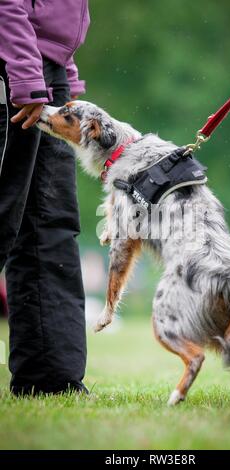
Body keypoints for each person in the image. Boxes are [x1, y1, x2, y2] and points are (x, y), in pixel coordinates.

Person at [0, 1, 90, 395]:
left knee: (49, 226)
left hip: (43, 75)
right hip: (12, 66)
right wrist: (23, 74)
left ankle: (49, 378)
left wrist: (65, 76)